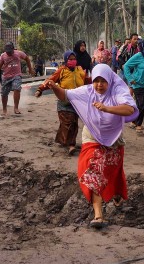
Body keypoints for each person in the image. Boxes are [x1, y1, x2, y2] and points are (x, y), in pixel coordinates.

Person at [46, 64, 137, 229]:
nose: (99, 85)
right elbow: (65, 95)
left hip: (113, 138)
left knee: (112, 172)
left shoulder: (118, 91)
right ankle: (98, 215)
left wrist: (107, 108)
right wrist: (54, 86)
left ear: (109, 80)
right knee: (93, 169)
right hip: (92, 136)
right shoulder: (87, 91)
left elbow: (129, 109)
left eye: (103, 81)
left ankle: (116, 194)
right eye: (96, 81)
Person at [35, 50, 85, 155]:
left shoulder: (79, 70)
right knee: (68, 122)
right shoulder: (61, 71)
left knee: (73, 123)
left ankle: (61, 139)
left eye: (74, 59)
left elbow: (88, 81)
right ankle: (71, 145)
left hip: (76, 102)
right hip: (64, 102)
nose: (73, 61)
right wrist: (40, 89)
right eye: (70, 59)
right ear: (66, 60)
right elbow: (50, 80)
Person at [123, 37, 144, 133]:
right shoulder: (138, 56)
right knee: (142, 104)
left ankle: (133, 121)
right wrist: (130, 79)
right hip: (138, 84)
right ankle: (138, 124)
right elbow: (126, 66)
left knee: (141, 104)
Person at [0, 42, 33, 115]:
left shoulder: (19, 53)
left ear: (13, 49)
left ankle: (16, 108)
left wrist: (30, 69)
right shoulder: (3, 56)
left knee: (17, 89)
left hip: (16, 75)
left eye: (10, 51)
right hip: (6, 77)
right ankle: (4, 109)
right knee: (4, 94)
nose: (9, 53)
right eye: (7, 52)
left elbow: (27, 59)